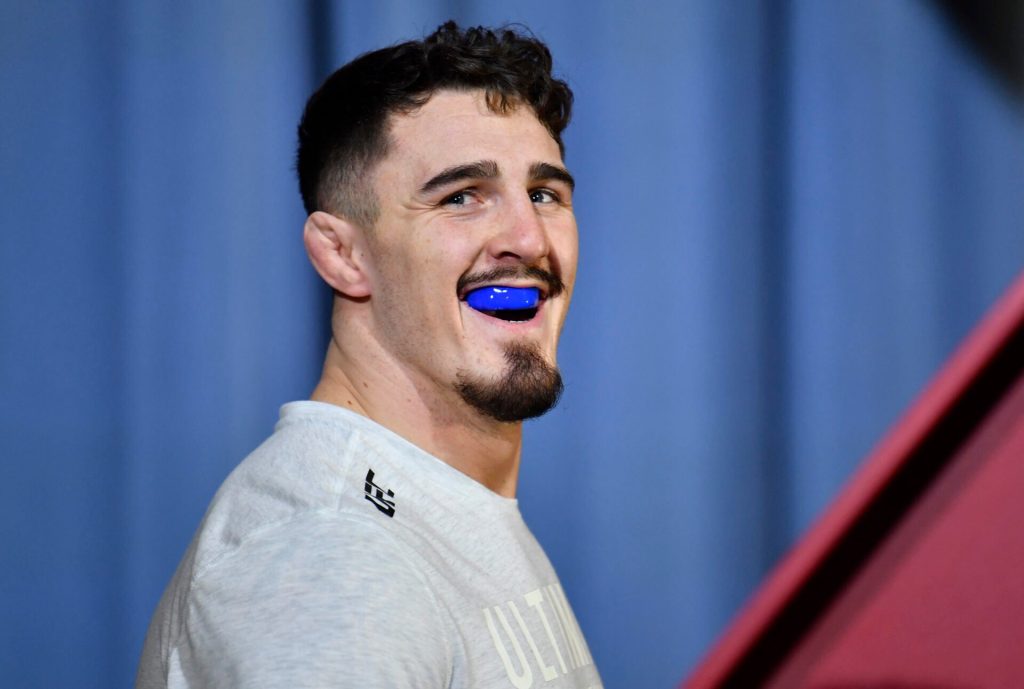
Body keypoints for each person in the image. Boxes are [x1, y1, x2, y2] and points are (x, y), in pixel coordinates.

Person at [136, 21, 602, 689]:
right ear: (342, 254)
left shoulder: (438, 512)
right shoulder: (332, 552)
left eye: (543, 194)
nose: (528, 238)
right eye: (461, 197)